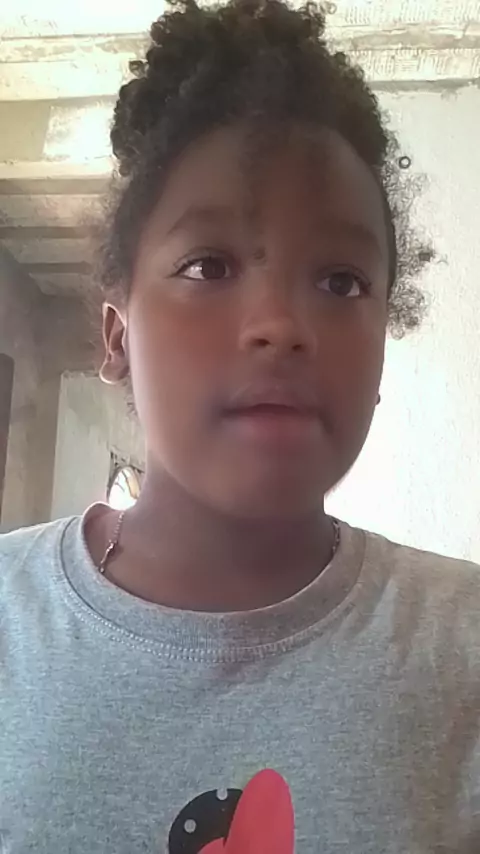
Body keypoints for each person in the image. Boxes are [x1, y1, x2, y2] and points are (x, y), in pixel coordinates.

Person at [0, 0, 479, 851]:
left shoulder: (462, 645)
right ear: (116, 338)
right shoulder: (11, 623)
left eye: (340, 282)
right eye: (208, 265)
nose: (280, 325)